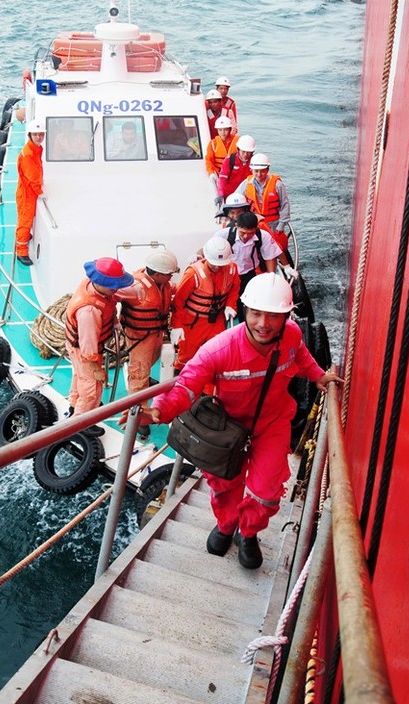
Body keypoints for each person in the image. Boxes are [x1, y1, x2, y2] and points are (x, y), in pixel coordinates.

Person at [146, 274, 343, 569]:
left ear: (287, 315)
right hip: (227, 430)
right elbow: (187, 385)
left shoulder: (291, 336)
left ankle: (248, 533)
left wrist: (318, 377)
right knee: (225, 486)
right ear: (244, 311)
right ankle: (226, 525)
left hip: (272, 424)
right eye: (256, 314)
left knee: (266, 492)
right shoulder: (219, 350)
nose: (264, 323)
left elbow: (300, 358)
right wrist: (160, 410)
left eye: (274, 315)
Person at [65, 257, 136, 437]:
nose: (116, 289)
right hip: (85, 352)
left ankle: (74, 404)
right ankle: (80, 423)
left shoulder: (92, 286)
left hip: (80, 348)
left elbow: (108, 308)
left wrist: (115, 323)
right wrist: (95, 368)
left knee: (79, 377)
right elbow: (88, 344)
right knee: (91, 387)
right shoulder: (89, 311)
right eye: (113, 285)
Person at [120, 248, 179, 437]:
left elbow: (174, 289)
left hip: (156, 333)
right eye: (169, 274)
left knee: (149, 363)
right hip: (140, 337)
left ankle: (142, 381)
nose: (171, 277)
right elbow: (111, 294)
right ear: (158, 274)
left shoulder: (163, 284)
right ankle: (138, 415)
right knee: (139, 372)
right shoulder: (136, 287)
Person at [170, 236, 239, 371]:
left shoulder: (232, 269)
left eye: (220, 264)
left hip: (217, 320)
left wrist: (231, 305)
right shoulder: (193, 274)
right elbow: (178, 302)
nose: (216, 267)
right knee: (187, 356)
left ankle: (208, 389)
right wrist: (176, 326)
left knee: (217, 354)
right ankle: (179, 383)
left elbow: (234, 289)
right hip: (193, 323)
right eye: (213, 263)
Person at [215, 211, 281, 321]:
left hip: (248, 274)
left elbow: (270, 256)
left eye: (250, 233)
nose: (246, 236)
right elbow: (208, 251)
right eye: (242, 233)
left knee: (248, 304)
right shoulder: (223, 235)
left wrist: (271, 278)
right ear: (236, 226)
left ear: (256, 229)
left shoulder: (262, 236)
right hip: (227, 276)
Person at [236, 152, 290, 251]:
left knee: (277, 248)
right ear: (251, 170)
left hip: (274, 224)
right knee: (257, 248)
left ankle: (284, 264)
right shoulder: (246, 184)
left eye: (262, 171)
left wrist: (281, 225)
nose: (259, 174)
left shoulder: (277, 185)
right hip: (254, 224)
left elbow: (285, 205)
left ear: (267, 170)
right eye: (256, 171)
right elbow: (236, 199)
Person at [15, 119, 46, 265]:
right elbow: (32, 176)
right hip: (27, 193)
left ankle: (25, 237)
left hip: (29, 190)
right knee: (25, 222)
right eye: (36, 134)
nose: (39, 137)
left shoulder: (37, 148)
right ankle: (21, 251)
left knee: (27, 220)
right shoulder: (28, 154)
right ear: (30, 135)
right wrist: (40, 191)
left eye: (41, 134)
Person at [216, 134, 256, 205]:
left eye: (248, 152)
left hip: (247, 196)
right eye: (243, 151)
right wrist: (220, 194)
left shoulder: (255, 162)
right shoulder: (229, 160)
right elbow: (222, 179)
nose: (246, 154)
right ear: (238, 149)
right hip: (229, 196)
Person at [205, 116, 239, 183]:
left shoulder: (238, 142)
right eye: (220, 130)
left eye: (225, 129)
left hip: (234, 175)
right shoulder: (213, 143)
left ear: (230, 129)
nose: (222, 132)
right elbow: (208, 160)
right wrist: (211, 172)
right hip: (219, 174)